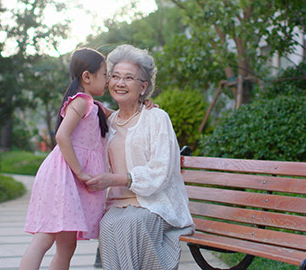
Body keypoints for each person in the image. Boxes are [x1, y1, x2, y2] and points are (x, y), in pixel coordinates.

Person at [86, 44, 195, 270]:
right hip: (119, 205)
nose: (120, 83)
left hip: (156, 205)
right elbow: (79, 103)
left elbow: (160, 170)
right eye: (115, 76)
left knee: (132, 224)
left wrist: (115, 179)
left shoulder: (156, 118)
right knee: (107, 225)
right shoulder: (107, 120)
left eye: (128, 78)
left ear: (143, 86)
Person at [19, 47, 110, 270]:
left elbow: (121, 115)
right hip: (62, 177)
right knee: (44, 238)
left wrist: (145, 105)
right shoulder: (80, 102)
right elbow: (61, 135)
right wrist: (79, 171)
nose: (108, 80)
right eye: (105, 74)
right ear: (87, 77)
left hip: (70, 180)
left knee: (67, 246)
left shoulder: (94, 106)